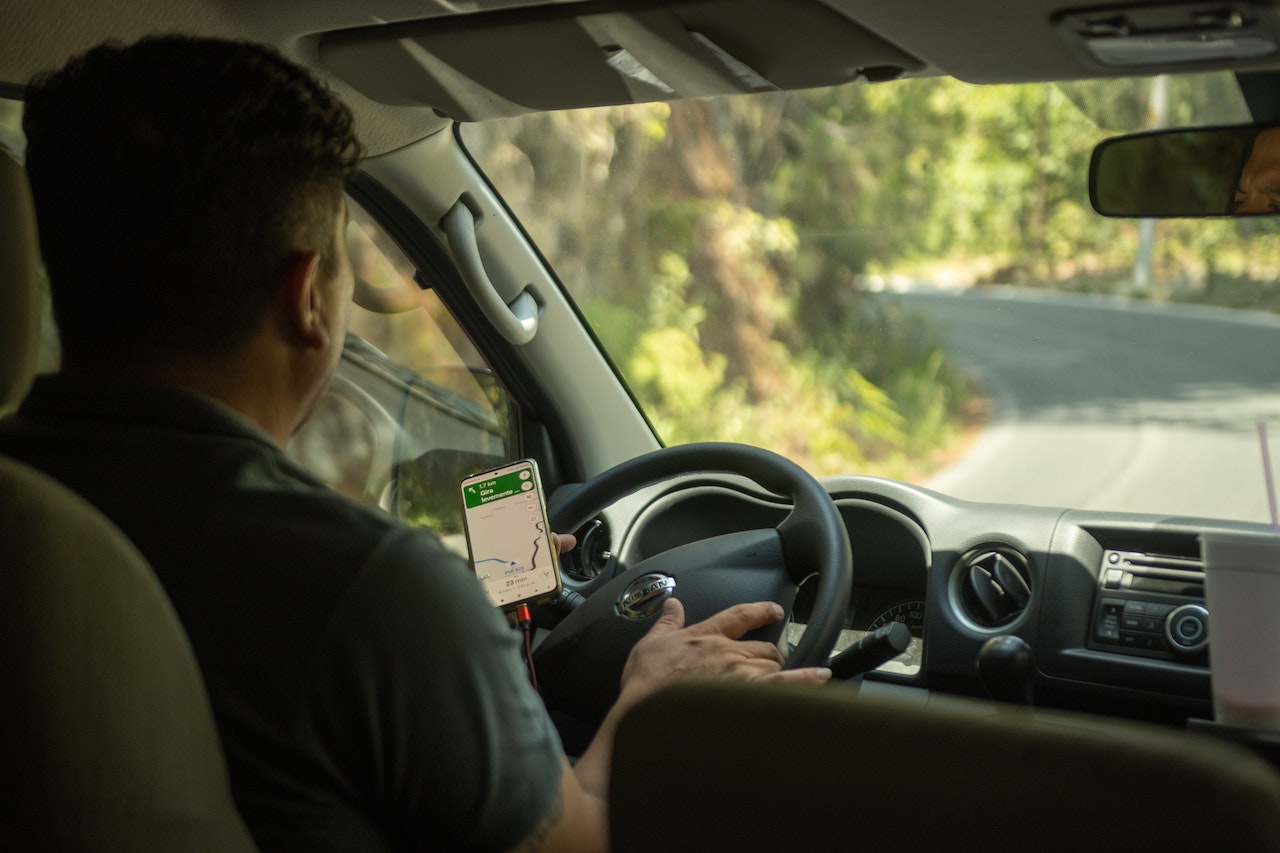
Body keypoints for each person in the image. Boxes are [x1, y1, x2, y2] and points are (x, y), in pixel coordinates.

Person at [0, 35, 830, 852]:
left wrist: (443, 607)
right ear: (308, 298)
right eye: (342, 267)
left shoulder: (30, 505)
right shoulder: (372, 592)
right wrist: (648, 700)